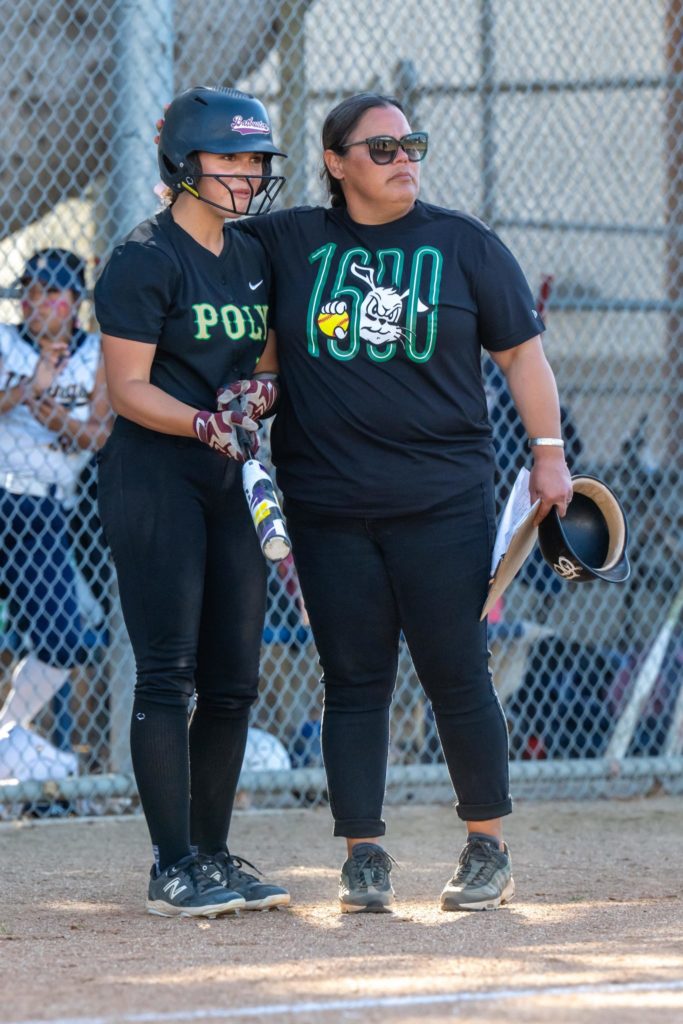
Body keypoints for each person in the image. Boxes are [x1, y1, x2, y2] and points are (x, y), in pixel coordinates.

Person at [228, 92, 573, 913]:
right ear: (335, 162)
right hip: (328, 506)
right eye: (380, 149)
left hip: (442, 502)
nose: (402, 159)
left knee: (457, 673)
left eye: (410, 144)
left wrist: (549, 456)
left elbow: (522, 357)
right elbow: (205, 243)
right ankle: (363, 856)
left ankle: (486, 848)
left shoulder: (462, 243)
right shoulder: (288, 241)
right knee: (352, 681)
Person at [94, 86, 291, 918]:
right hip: (156, 475)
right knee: (168, 673)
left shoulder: (252, 255)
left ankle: (212, 853)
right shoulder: (144, 258)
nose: (248, 173)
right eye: (230, 158)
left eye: (255, 160)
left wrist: (258, 396)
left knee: (234, 678)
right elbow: (129, 389)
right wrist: (205, 421)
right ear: (183, 164)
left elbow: (269, 363)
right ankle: (171, 865)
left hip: (229, 476)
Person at [0, 248, 111, 781]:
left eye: (48, 292)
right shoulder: (6, 340)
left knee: (63, 640)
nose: (34, 301)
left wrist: (51, 415)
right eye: (29, 290)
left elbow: (100, 432)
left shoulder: (95, 352)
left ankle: (6, 732)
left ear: (72, 301)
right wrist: (30, 387)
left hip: (44, 510)